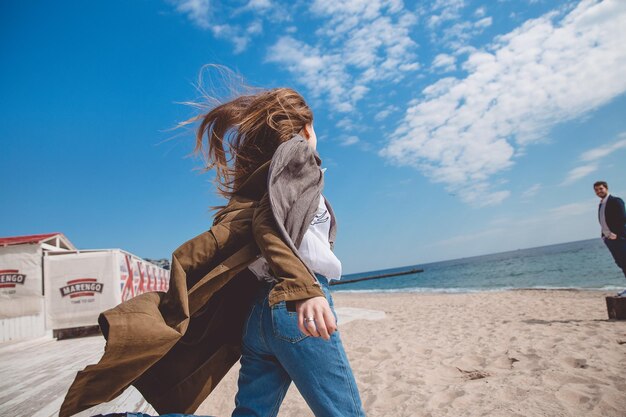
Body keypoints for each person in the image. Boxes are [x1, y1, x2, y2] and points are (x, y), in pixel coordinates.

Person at [58, 86, 366, 417]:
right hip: (296, 305)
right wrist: (304, 289)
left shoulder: (262, 182)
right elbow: (268, 226)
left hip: (259, 317)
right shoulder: (299, 153)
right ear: (305, 128)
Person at [594, 181, 626, 296]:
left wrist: (618, 235)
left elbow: (623, 219)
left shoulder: (615, 201)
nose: (599, 191)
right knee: (620, 263)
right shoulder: (601, 204)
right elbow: (603, 221)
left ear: (606, 188)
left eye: (601, 189)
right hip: (608, 239)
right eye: (596, 190)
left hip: (619, 238)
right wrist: (603, 236)